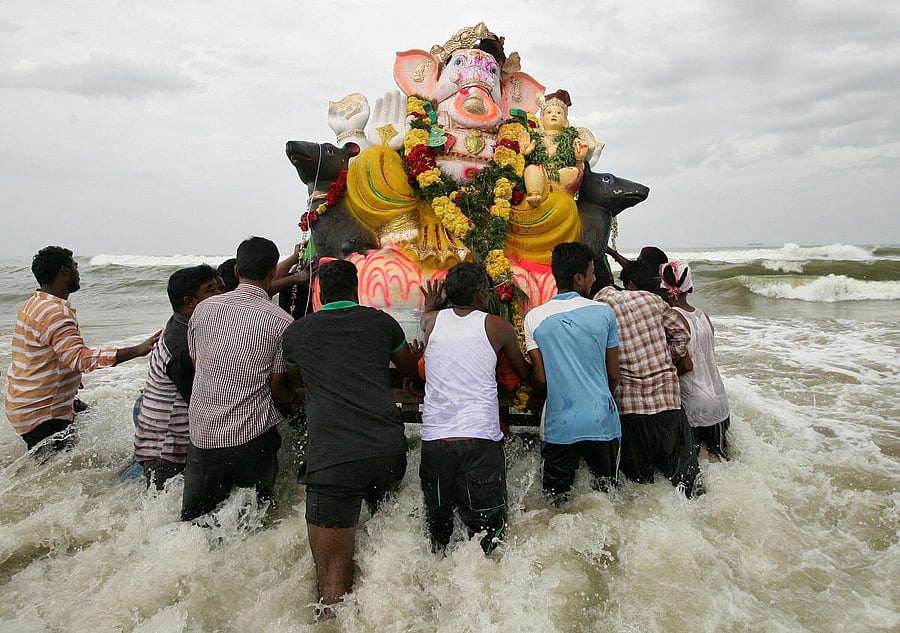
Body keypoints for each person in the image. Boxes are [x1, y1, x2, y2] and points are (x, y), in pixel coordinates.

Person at [281, 259, 422, 614]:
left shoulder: (300, 332)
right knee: (388, 550)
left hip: (333, 460)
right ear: (357, 289)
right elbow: (407, 366)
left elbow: (294, 377)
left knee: (332, 584)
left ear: (319, 293)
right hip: (387, 452)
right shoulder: (381, 323)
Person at [418, 262, 531, 554]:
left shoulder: (432, 321)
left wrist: (430, 304)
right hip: (479, 442)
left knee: (440, 535)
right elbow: (525, 374)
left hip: (435, 443)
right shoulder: (497, 326)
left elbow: (427, 317)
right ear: (483, 294)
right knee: (489, 535)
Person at [182, 237, 293, 521]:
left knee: (193, 525)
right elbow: (277, 388)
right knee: (251, 524)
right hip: (251, 439)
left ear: (235, 272)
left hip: (202, 437)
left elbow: (199, 367)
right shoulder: (281, 321)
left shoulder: (203, 310)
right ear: (272, 273)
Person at [5, 246, 159, 452]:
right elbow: (81, 359)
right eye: (76, 266)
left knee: (90, 424)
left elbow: (47, 353)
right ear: (64, 271)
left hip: (25, 402)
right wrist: (137, 350)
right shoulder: (55, 313)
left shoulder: (33, 303)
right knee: (58, 474)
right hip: (44, 413)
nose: (79, 272)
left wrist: (70, 379)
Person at [594, 260, 703, 497]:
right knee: (688, 487)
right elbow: (682, 334)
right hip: (667, 404)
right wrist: (667, 358)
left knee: (641, 489)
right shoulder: (653, 300)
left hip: (629, 410)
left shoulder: (597, 308)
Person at [524, 243, 621, 504]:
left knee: (555, 503)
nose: (594, 277)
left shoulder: (534, 317)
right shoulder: (604, 312)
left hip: (560, 424)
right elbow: (614, 375)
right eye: (591, 272)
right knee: (606, 499)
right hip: (602, 420)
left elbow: (541, 379)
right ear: (579, 278)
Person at [133, 265, 223, 489]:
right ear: (190, 301)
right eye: (211, 290)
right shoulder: (181, 346)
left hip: (165, 439)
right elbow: (200, 399)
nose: (220, 295)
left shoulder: (184, 326)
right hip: (165, 448)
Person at [660, 261, 731, 459]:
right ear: (690, 287)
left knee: (694, 467)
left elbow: (684, 364)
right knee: (721, 461)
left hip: (692, 404)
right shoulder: (703, 316)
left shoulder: (671, 318)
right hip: (719, 402)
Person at [519, 89, 590, 207]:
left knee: (575, 172)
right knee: (531, 170)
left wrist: (579, 159)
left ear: (566, 122)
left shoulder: (571, 140)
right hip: (538, 177)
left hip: (561, 179)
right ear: (541, 120)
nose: (553, 114)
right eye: (549, 112)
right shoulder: (534, 138)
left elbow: (579, 170)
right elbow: (522, 166)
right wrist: (525, 154)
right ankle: (534, 196)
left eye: (558, 113)